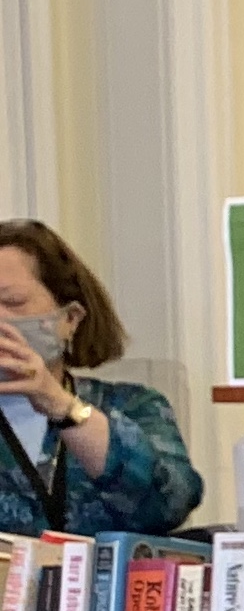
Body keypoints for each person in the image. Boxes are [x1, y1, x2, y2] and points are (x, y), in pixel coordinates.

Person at [0, 220, 201, 532]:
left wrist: (60, 405)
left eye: (12, 302)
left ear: (70, 319)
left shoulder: (133, 405)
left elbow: (170, 504)